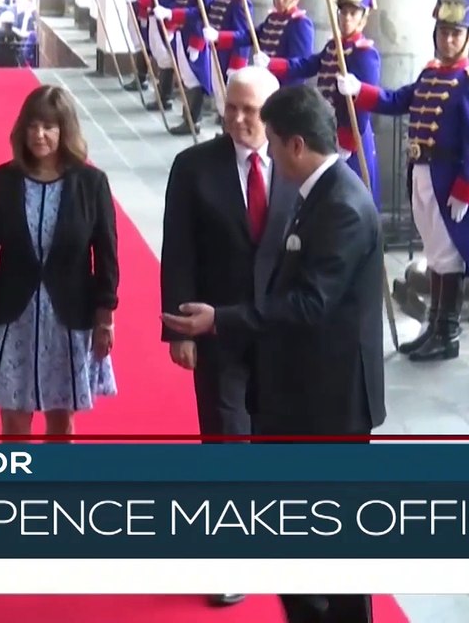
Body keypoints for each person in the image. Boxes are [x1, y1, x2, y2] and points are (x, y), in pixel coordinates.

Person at [162, 83, 383, 623]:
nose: (267, 148)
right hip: (295, 385)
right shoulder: (320, 192)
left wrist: (221, 319)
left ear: (295, 145)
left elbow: (310, 302)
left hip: (329, 400)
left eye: (273, 137)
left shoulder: (341, 204)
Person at [159, 67, 296, 609]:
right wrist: (178, 331)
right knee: (226, 440)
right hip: (215, 329)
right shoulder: (193, 167)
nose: (238, 119)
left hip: (281, 333)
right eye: (231, 107)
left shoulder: (297, 164)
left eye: (251, 110)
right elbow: (178, 252)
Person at [341, 0, 469, 361]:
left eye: (456, 33)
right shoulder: (430, 73)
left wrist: (467, 188)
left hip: (449, 181)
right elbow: (398, 100)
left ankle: (448, 333)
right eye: (443, 32)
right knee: (435, 254)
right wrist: (361, 90)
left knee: (448, 256)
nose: (448, 39)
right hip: (422, 173)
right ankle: (434, 328)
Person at [0, 86, 118, 436]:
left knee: (61, 421)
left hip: (68, 317)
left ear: (65, 130)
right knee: (14, 421)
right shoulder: (0, 182)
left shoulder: (91, 184)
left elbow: (106, 258)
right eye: (32, 126)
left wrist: (105, 319)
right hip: (12, 315)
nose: (39, 135)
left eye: (49, 126)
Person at [258, 0, 382, 206]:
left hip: (349, 134)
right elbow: (307, 64)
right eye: (343, 12)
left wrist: (347, 140)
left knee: (350, 195)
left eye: (353, 13)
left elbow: (362, 107)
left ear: (364, 18)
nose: (346, 18)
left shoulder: (365, 54)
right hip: (327, 128)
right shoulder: (334, 45)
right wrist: (272, 64)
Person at [212, 0, 313, 87]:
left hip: (283, 89)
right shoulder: (272, 18)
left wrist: (272, 64)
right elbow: (249, 36)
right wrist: (218, 36)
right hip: (264, 84)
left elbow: (301, 66)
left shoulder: (300, 23)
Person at [150, 0, 217, 135]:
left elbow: (202, 13)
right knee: (187, 77)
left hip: (194, 38)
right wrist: (151, 0)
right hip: (181, 33)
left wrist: (172, 13)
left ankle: (193, 120)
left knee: (194, 78)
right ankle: (188, 116)